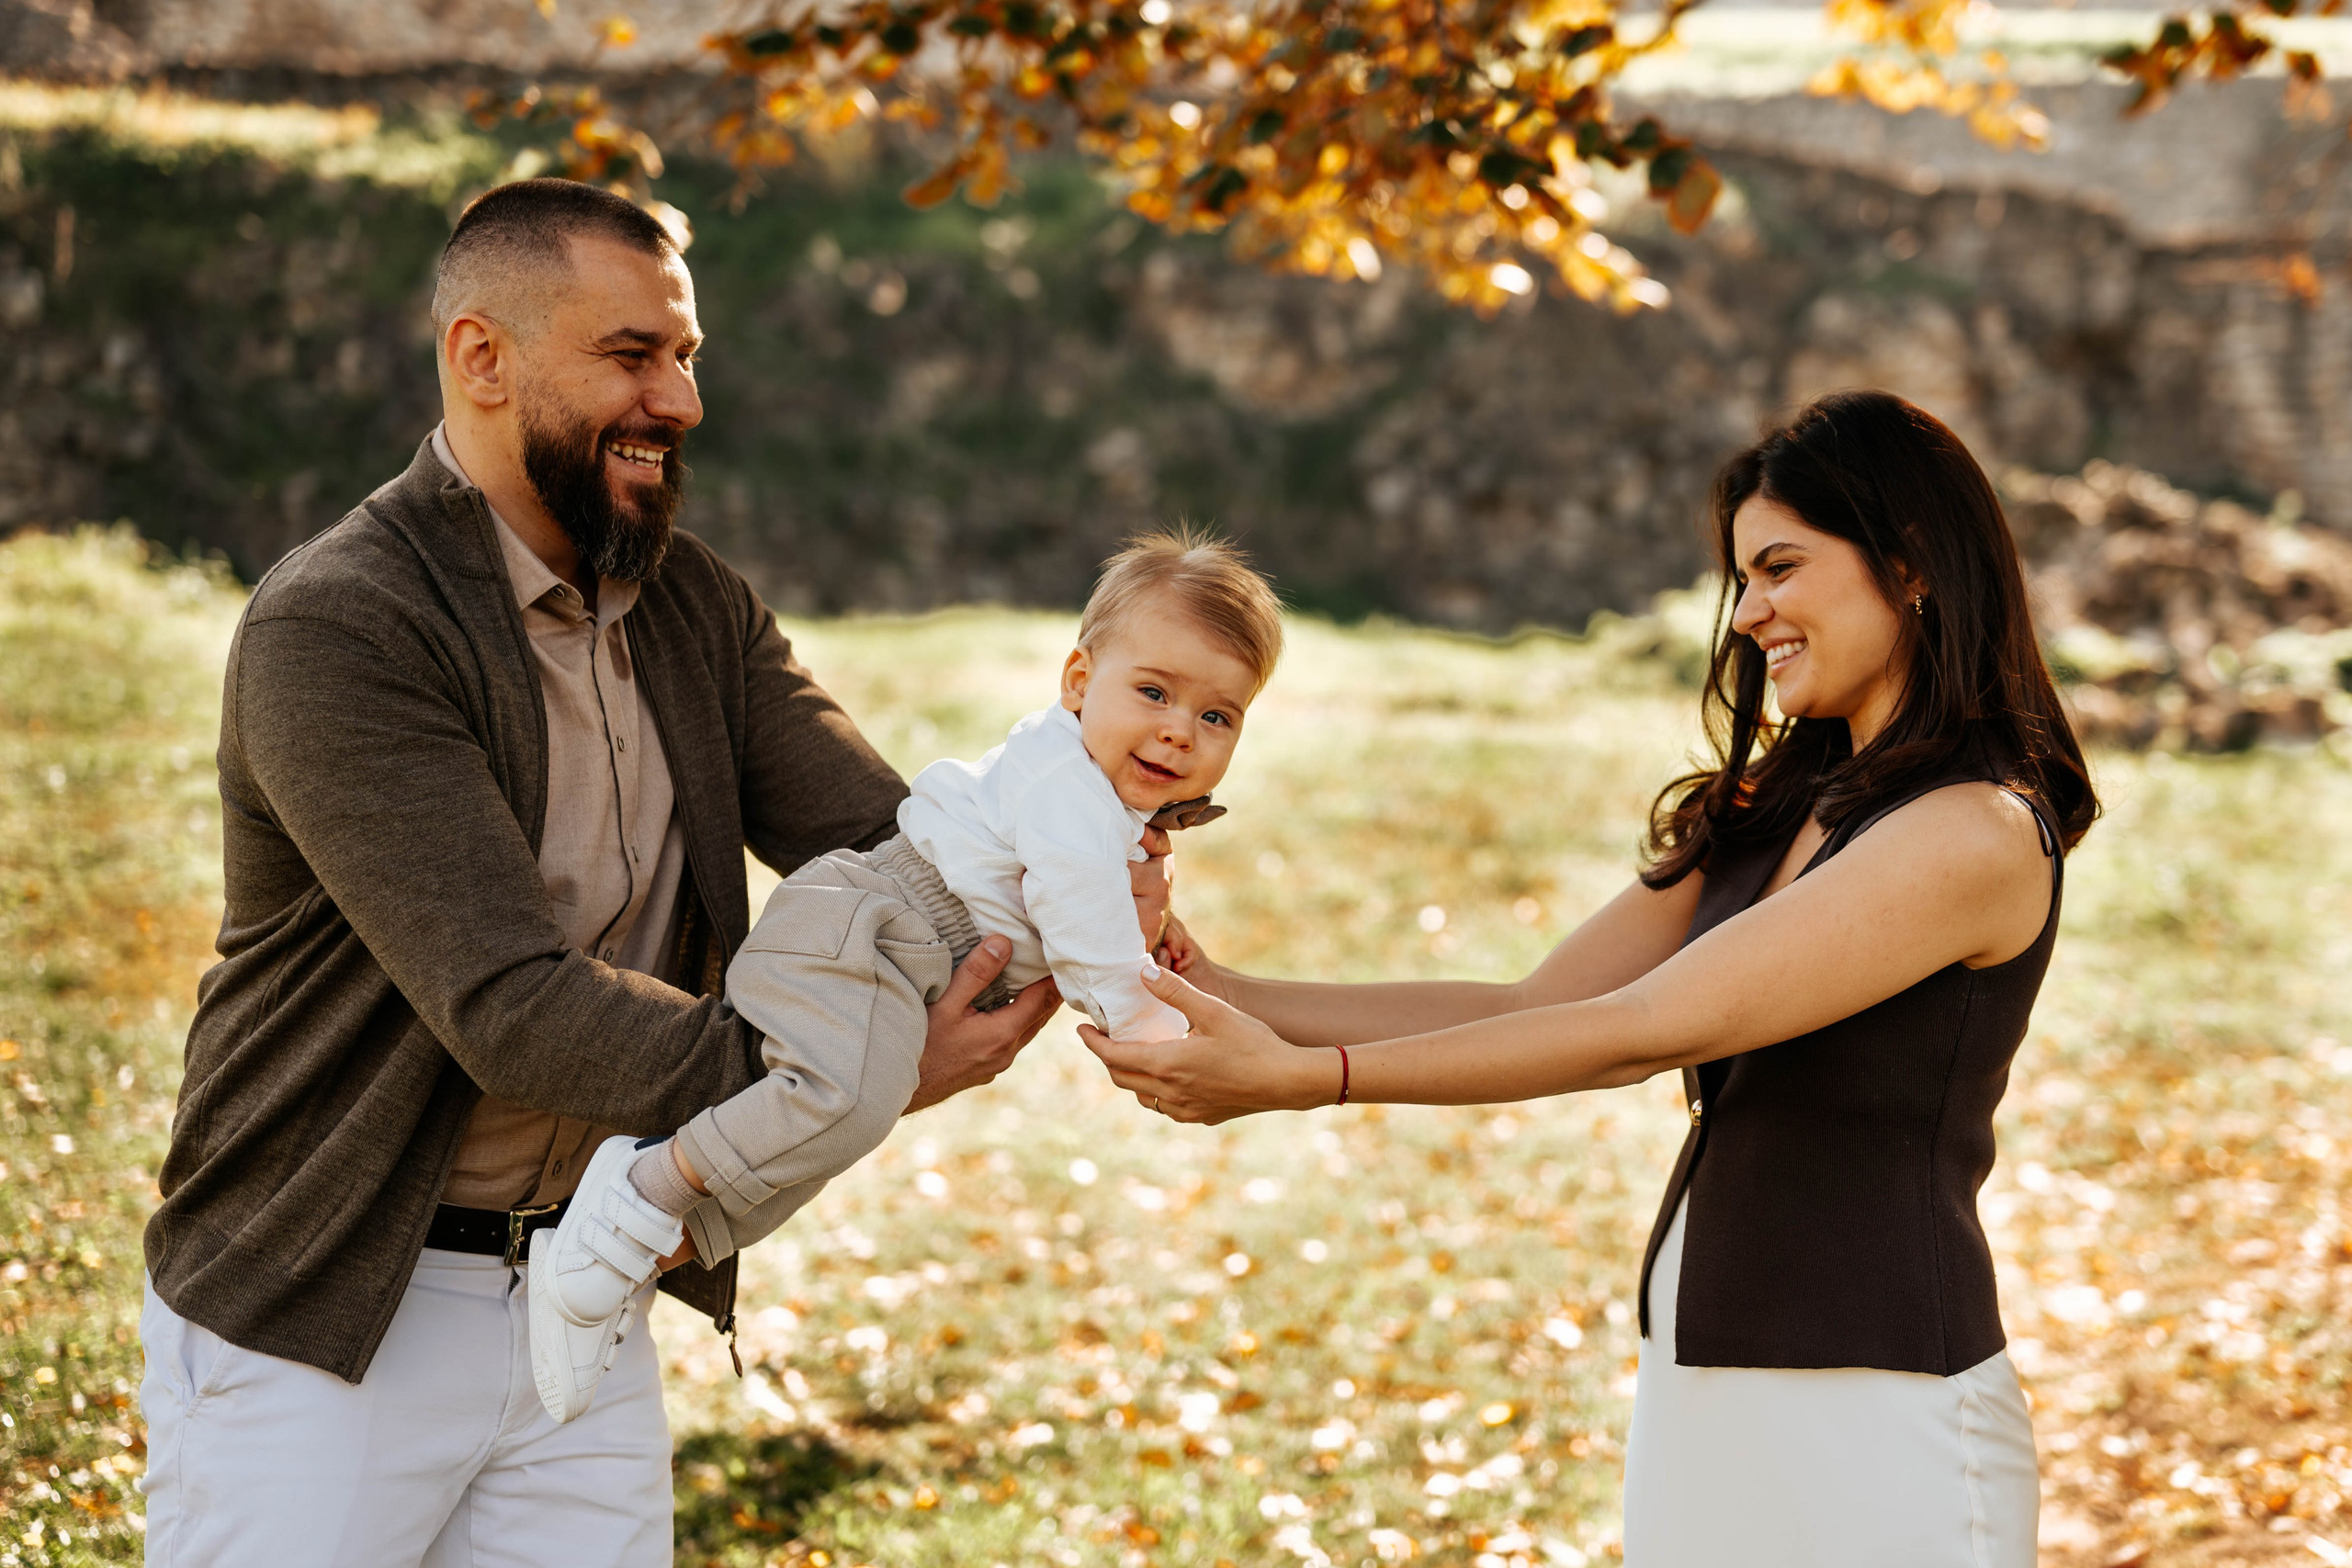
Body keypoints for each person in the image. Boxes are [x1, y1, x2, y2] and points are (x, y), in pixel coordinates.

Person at [139, 177, 1168, 1567]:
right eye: (632, 355)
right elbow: (510, 1002)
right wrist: (837, 1064)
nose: (678, 400)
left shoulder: (692, 602)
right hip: (325, 1308)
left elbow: (886, 846)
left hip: (593, 1280)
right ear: (482, 359)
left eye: (685, 358)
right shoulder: (343, 626)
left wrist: (1076, 851)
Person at [1088, 390, 2099, 1567]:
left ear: (1911, 561)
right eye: (1741, 580)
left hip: (1885, 1414)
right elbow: (1539, 1004)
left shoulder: (1974, 831)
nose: (1747, 614)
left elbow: (1638, 1030)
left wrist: (1305, 1081)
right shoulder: (1773, 808)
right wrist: (1208, 980)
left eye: (1779, 568)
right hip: (1701, 1372)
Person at [534, 530, 1286, 1419]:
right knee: (842, 1099)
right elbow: (1083, 919)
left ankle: (641, 1251)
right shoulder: (1068, 786)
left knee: (829, 1133)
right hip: (866, 926)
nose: (1177, 729)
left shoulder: (1101, 797)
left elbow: (1099, 892)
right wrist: (1137, 1013)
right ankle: (637, 1193)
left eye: (1216, 717)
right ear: (1079, 683)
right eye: (1154, 692)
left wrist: (1153, 925)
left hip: (900, 955)